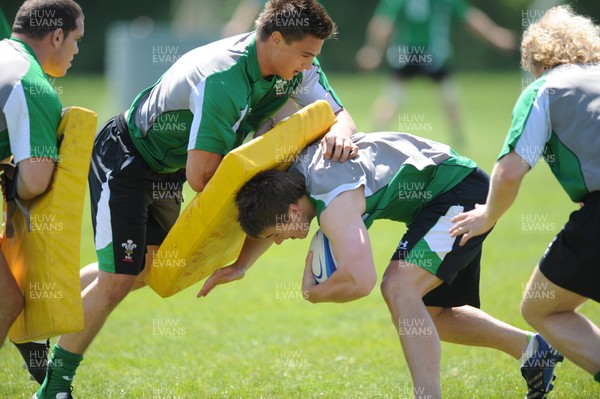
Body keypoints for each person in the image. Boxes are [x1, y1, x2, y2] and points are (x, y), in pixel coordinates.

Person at [33, 1, 357, 398]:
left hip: (167, 170)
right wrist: (268, 194)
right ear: (275, 40)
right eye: (306, 54)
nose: (310, 65)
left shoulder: (299, 67)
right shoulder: (224, 77)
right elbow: (203, 178)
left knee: (144, 268)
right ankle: (54, 387)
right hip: (128, 157)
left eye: (314, 57)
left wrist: (340, 131)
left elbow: (339, 114)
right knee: (119, 278)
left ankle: (37, 309)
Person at [200, 131, 562, 399]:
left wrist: (315, 294)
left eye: (277, 233)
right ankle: (534, 351)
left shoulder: (333, 202)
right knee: (430, 316)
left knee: (398, 287)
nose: (278, 241)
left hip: (459, 194)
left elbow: (361, 281)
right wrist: (242, 265)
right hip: (443, 196)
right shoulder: (294, 177)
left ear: (294, 211)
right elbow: (270, 216)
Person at [450, 4, 600, 390]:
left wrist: (488, 215)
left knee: (542, 306)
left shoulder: (545, 89)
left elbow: (512, 169)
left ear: (536, 58)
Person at [0, 0, 84, 384]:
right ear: (56, 35)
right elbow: (34, 181)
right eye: (76, 39)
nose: (76, 51)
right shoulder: (33, 84)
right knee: (6, 300)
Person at [356, 0, 516, 146]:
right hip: (434, 54)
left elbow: (383, 24)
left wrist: (373, 50)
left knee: (393, 99)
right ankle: (459, 140)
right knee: (449, 97)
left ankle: (372, 137)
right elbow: (471, 19)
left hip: (405, 55)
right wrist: (496, 35)